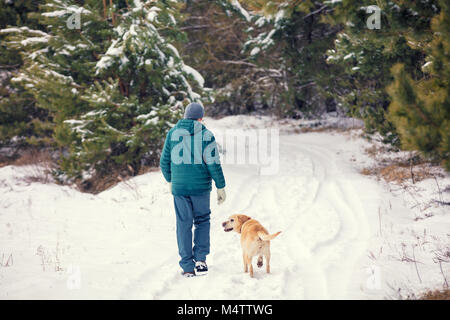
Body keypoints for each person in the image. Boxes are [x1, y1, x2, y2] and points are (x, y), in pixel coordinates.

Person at [159, 102, 226, 277]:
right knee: (202, 220)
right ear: (200, 118)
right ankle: (201, 260)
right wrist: (220, 186)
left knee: (183, 224)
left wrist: (171, 180)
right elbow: (213, 164)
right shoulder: (206, 134)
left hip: (180, 188)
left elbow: (164, 162)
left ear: (185, 116)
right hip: (200, 187)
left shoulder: (172, 133)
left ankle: (187, 267)